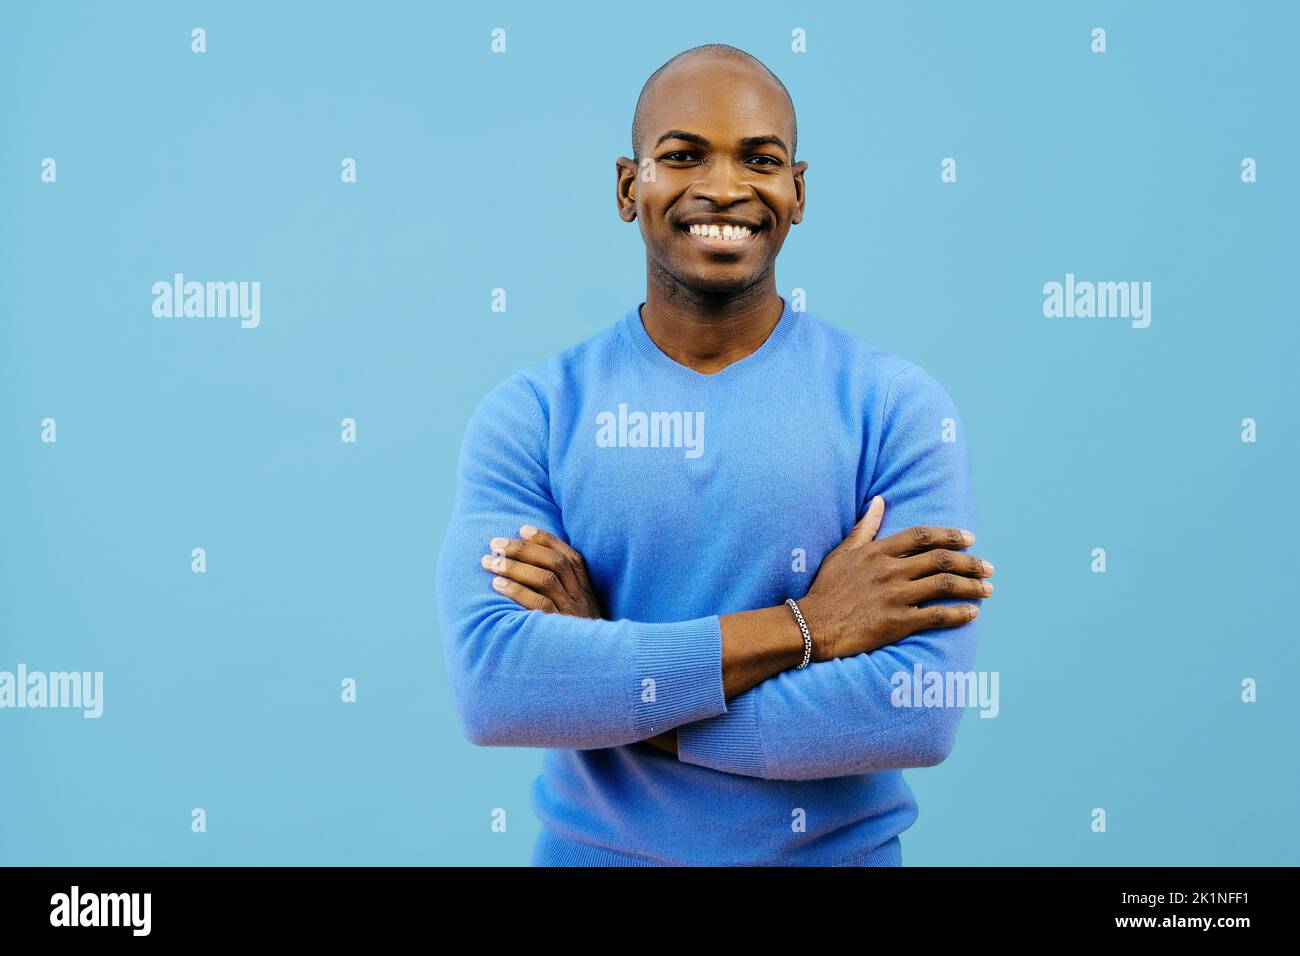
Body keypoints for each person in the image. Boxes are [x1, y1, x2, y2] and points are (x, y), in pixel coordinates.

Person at [434, 43, 995, 866]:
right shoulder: (532, 415)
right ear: (631, 188)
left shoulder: (897, 408)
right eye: (683, 155)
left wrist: (616, 685)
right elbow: (498, 690)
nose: (725, 186)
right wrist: (811, 628)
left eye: (760, 159)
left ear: (797, 193)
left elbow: (915, 710)